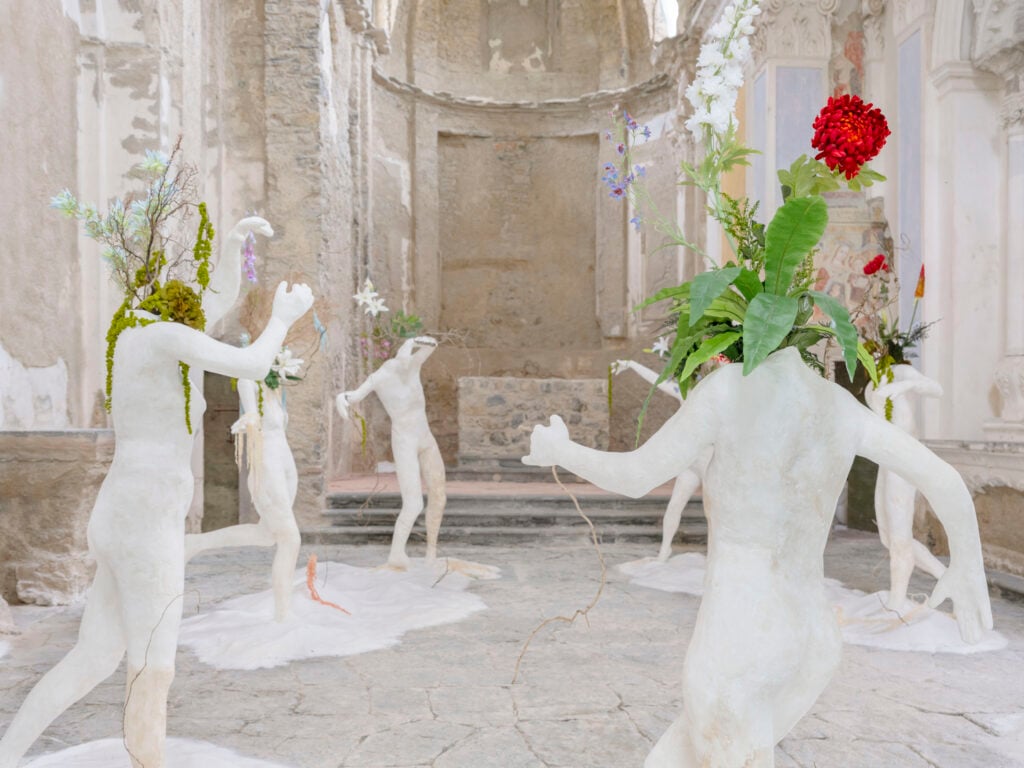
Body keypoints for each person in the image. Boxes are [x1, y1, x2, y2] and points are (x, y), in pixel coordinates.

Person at [525, 347, 992, 768]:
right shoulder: (839, 405)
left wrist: (560, 451)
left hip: (740, 642)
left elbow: (634, 476)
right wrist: (967, 567)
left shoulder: (727, 389)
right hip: (813, 639)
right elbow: (945, 479)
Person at [0, 214, 312, 768]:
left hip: (126, 513)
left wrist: (237, 244)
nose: (194, 297)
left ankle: (7, 752)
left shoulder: (136, 336)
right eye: (184, 289)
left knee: (95, 656)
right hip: (143, 521)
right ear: (165, 294)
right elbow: (249, 361)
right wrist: (283, 319)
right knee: (155, 665)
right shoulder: (164, 335)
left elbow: (209, 303)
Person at [184, 368, 302, 622]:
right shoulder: (249, 382)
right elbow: (251, 417)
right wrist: (247, 421)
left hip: (284, 463)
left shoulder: (274, 387)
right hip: (267, 467)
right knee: (290, 539)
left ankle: (196, 543)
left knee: (267, 535)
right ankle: (283, 614)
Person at [336, 336, 445, 570]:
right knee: (414, 503)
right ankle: (397, 554)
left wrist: (413, 341)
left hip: (426, 438)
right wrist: (341, 400)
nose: (407, 365)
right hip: (405, 440)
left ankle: (431, 552)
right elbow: (353, 397)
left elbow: (432, 345)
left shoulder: (412, 365)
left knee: (439, 494)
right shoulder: (379, 378)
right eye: (404, 362)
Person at [864, 364, 947, 609]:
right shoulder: (871, 385)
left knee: (899, 537)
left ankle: (896, 600)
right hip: (887, 462)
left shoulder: (898, 372)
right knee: (889, 536)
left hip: (904, 461)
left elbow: (937, 389)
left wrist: (904, 386)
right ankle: (945, 576)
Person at [613, 359, 708, 562]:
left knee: (713, 510)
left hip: (710, 462)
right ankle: (665, 550)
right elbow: (658, 381)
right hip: (691, 463)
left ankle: (716, 552)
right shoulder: (685, 392)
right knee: (675, 505)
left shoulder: (716, 396)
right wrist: (632, 364)